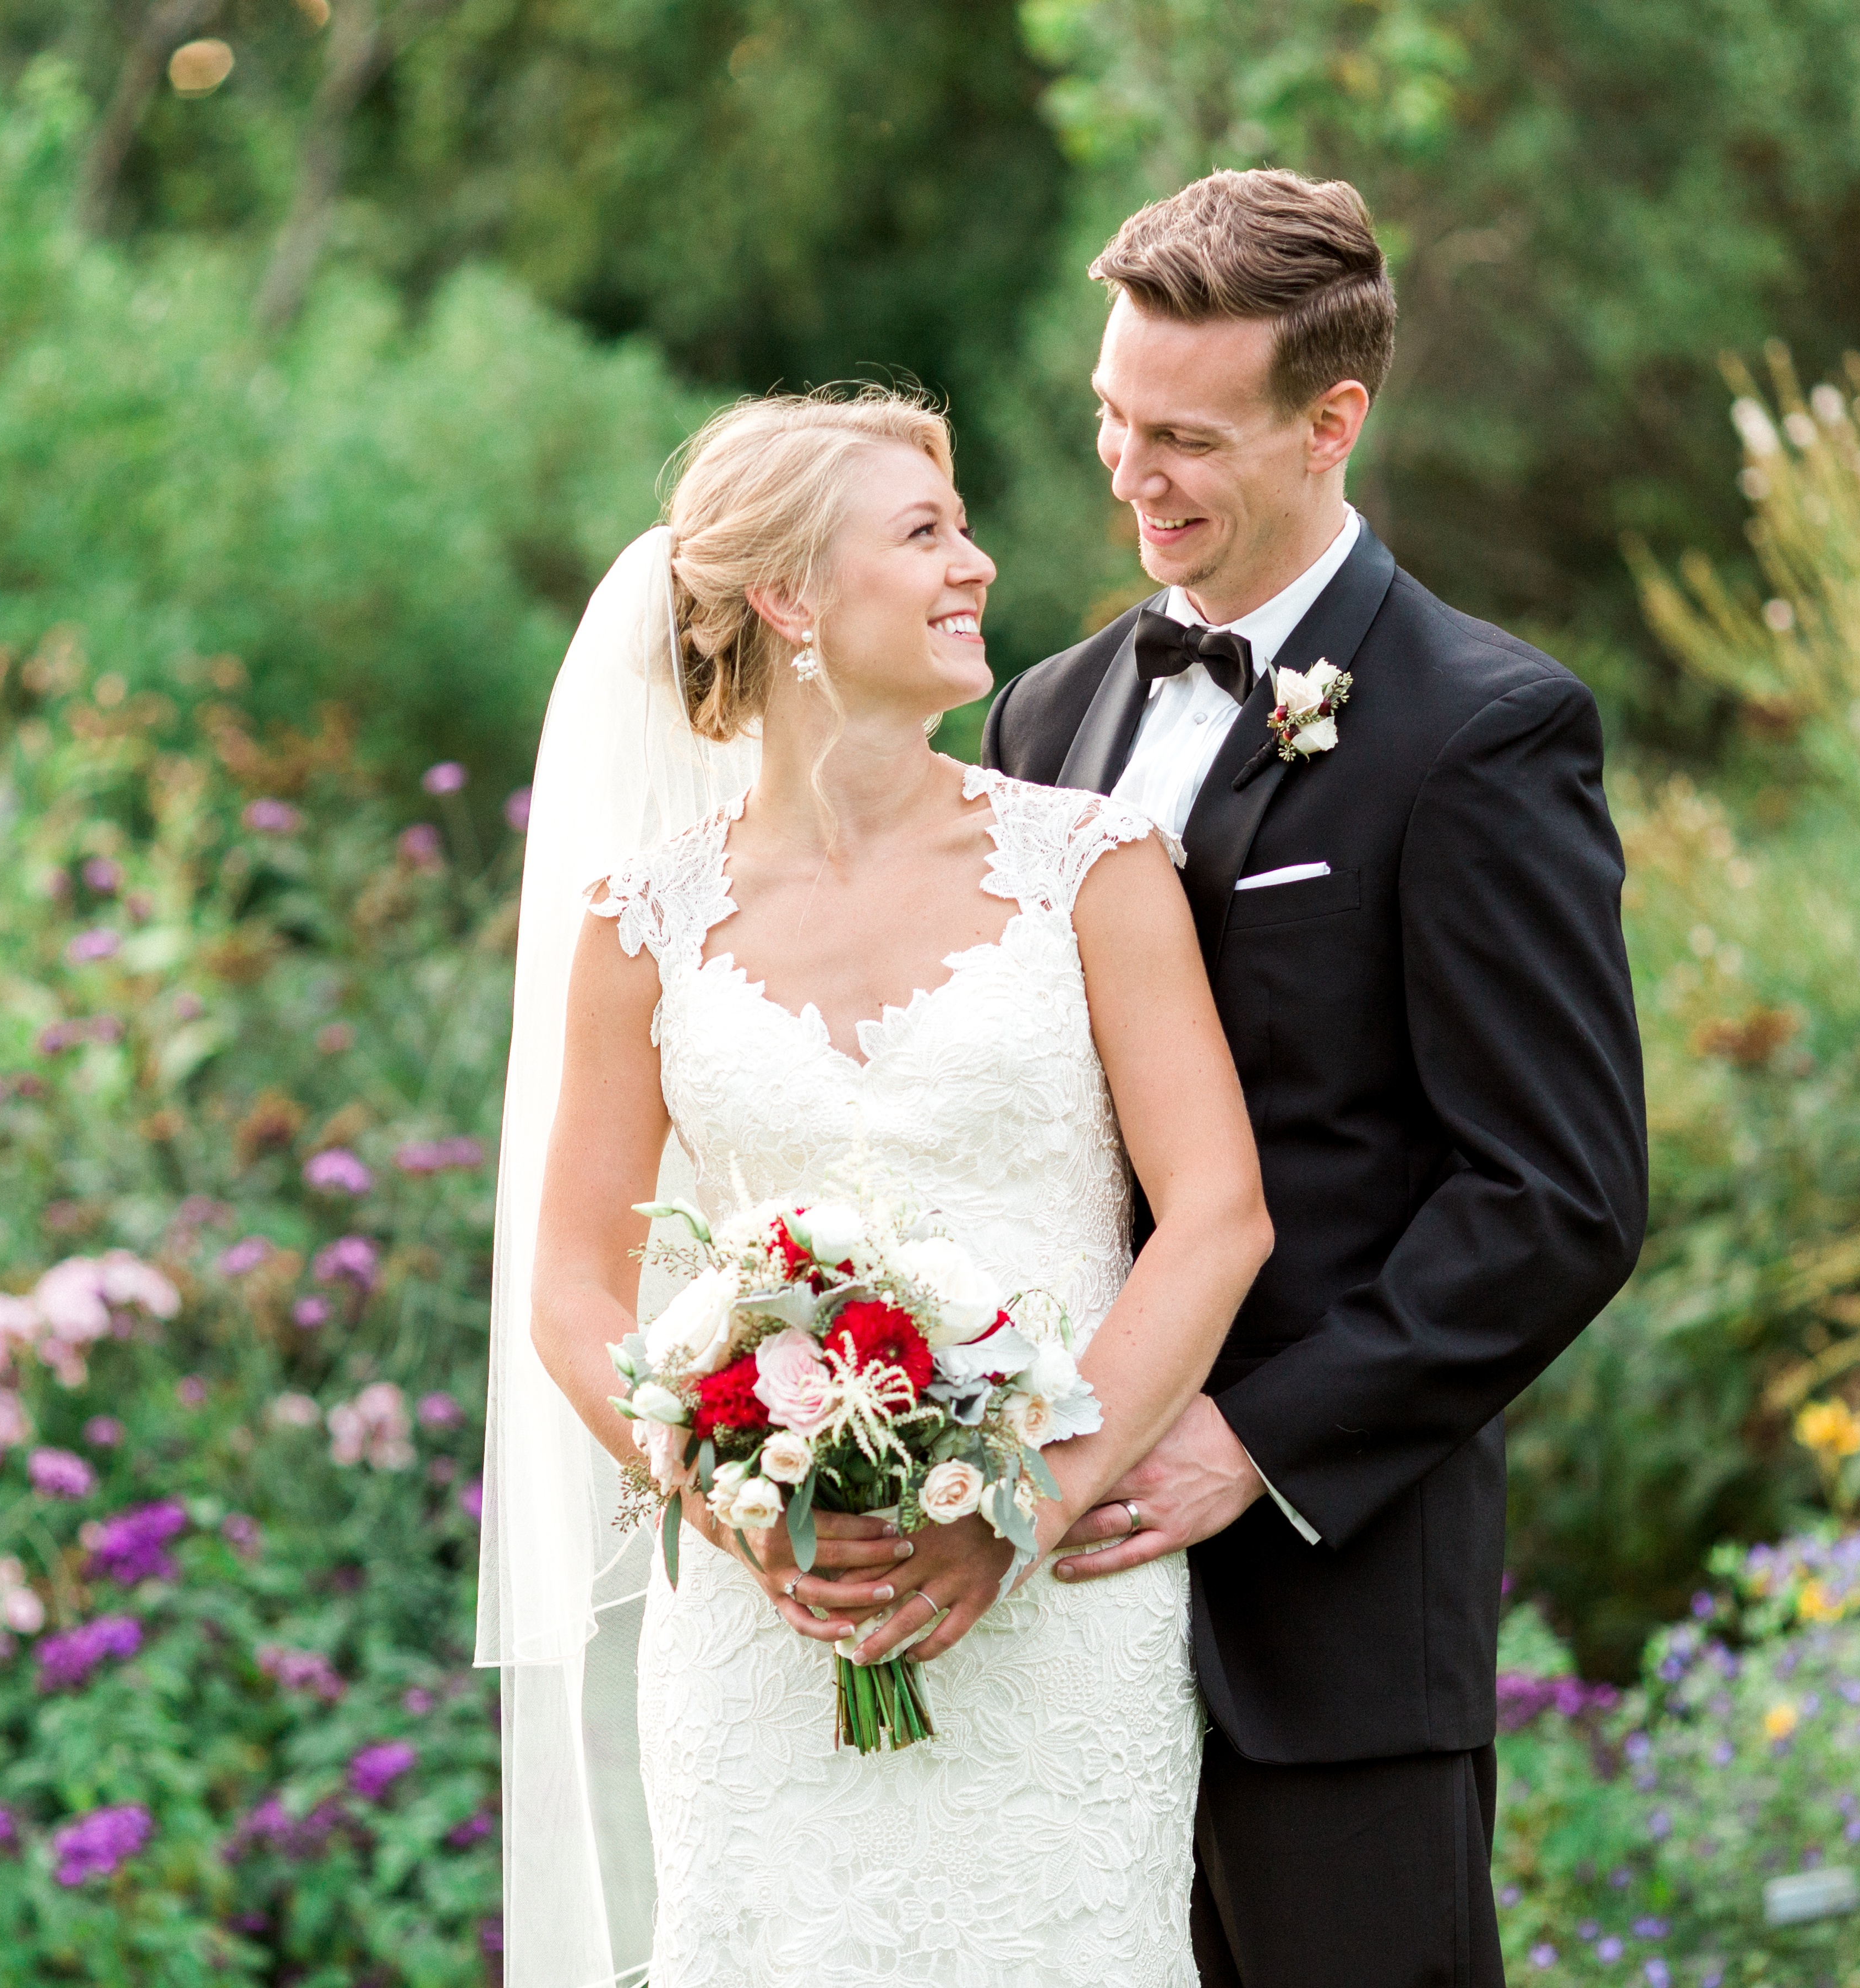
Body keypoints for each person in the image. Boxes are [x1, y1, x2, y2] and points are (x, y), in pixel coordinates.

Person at [479, 385, 1271, 1985]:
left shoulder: (1091, 866)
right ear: (786, 598)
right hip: (768, 1627)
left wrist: (1021, 1508)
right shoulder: (642, 921)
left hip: (1056, 1616)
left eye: (959, 526)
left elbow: (1217, 1215)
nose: (973, 564)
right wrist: (724, 1496)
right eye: (924, 533)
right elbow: (569, 1282)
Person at [982, 169, 1649, 1987]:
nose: (1131, 473)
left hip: (1331, 1609)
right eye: (1112, 419)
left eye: (1187, 436)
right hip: (1046, 1595)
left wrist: (1250, 1446)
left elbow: (1557, 1200)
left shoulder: (1482, 728)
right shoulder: (1042, 715)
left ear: (1330, 422)